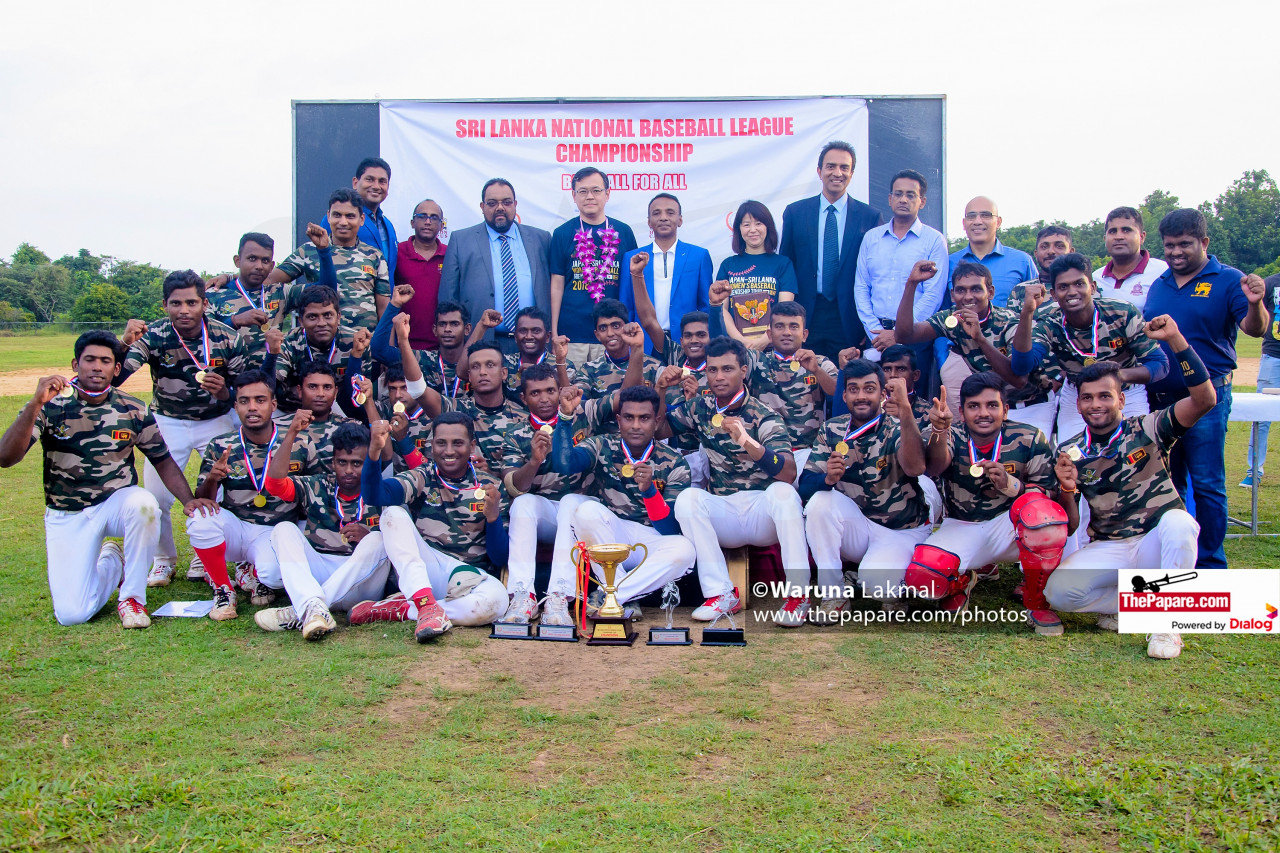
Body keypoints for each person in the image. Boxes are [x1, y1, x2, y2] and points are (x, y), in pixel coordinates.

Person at [0, 331, 218, 628]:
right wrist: (34, 405)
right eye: (89, 360)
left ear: (116, 369)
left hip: (116, 503)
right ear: (75, 364)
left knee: (144, 504)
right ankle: (113, 562)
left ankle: (131, 598)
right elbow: (6, 458)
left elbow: (162, 459)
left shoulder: (132, 408)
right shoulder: (50, 406)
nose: (96, 367)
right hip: (69, 512)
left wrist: (188, 500)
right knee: (72, 614)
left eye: (105, 361)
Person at [1047, 321, 1218, 660]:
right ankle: (1139, 604)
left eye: (1105, 396)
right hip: (1111, 547)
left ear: (1121, 399)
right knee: (1060, 594)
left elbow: (1205, 399)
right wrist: (1067, 489)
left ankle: (1168, 625)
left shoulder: (1149, 427)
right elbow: (1069, 525)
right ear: (1078, 405)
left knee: (1180, 523)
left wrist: (1176, 340)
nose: (1096, 404)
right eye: (1088, 398)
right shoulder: (1070, 451)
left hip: (1156, 542)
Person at [1143, 208, 1269, 570]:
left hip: (1207, 398)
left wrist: (1257, 302)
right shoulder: (1162, 283)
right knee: (1168, 482)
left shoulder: (1229, 280)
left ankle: (1212, 563)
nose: (1176, 252)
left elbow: (1254, 328)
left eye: (1185, 244)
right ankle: (1175, 560)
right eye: (1169, 246)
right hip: (1162, 401)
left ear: (1204, 242)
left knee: (1208, 482)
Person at [116, 270, 248, 585]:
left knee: (233, 489)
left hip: (216, 420)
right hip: (167, 421)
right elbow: (116, 378)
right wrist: (123, 343)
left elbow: (245, 390)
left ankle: (211, 555)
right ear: (165, 305)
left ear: (204, 303)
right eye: (176, 303)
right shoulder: (154, 336)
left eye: (191, 302)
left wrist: (225, 393)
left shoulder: (226, 337)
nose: (184, 310)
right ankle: (164, 559)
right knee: (158, 496)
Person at [665, 337, 803, 626]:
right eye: (712, 370)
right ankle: (721, 594)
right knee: (689, 499)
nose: (718, 377)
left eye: (727, 369)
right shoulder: (700, 408)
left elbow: (789, 473)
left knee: (784, 493)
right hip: (724, 510)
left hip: (761, 513)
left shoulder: (764, 415)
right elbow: (657, 428)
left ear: (743, 370)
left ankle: (798, 596)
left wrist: (748, 442)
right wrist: (660, 388)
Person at [914, 372, 1062, 632]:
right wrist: (939, 429)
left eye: (992, 405)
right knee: (923, 579)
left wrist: (1011, 485)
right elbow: (935, 467)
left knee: (1045, 518)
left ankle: (1037, 603)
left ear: (1005, 410)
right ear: (961, 411)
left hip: (1012, 526)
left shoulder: (1029, 436)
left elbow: (1049, 494)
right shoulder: (948, 432)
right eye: (974, 406)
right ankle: (963, 579)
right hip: (963, 524)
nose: (983, 413)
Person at [499, 366, 637, 626]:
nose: (544, 398)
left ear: (559, 391)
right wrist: (534, 462)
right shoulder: (515, 433)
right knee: (523, 502)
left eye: (550, 390)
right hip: (548, 515)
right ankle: (522, 595)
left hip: (583, 510)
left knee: (571, 503)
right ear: (524, 398)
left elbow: (626, 395)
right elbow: (513, 486)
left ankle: (559, 596)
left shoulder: (583, 415)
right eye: (535, 393)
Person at [357, 414, 510, 639]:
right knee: (392, 514)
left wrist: (494, 518)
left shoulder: (491, 486)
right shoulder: (423, 476)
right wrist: (374, 453)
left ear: (472, 446)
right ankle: (426, 605)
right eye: (441, 443)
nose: (448, 451)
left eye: (457, 443)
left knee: (496, 603)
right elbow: (375, 495)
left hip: (469, 578)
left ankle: (401, 609)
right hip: (427, 571)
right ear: (431, 445)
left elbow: (500, 558)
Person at [551, 385, 696, 617]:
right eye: (629, 417)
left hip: (651, 538)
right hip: (612, 533)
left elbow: (669, 528)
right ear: (618, 420)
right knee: (585, 510)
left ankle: (614, 595)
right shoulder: (602, 445)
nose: (636, 425)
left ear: (657, 421)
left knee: (685, 549)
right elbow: (563, 464)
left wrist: (649, 491)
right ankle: (622, 597)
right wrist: (565, 418)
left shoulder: (675, 462)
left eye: (644, 418)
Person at [799, 361, 930, 619]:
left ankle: (890, 580)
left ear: (883, 394)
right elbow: (805, 487)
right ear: (844, 395)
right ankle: (834, 596)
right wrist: (827, 479)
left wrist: (905, 413)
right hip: (860, 528)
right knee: (819, 504)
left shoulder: (897, 426)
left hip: (902, 530)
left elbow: (916, 468)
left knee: (876, 585)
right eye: (853, 389)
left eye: (869, 389)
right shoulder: (832, 430)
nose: (861, 396)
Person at [255, 418, 389, 640]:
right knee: (284, 529)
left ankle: (304, 609)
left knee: (379, 541)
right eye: (341, 462)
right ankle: (313, 607)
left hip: (363, 583)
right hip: (319, 572)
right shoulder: (317, 484)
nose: (348, 470)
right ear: (332, 461)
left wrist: (367, 535)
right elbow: (274, 484)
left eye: (357, 463)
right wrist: (290, 435)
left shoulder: (382, 490)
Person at [896, 260, 1060, 439]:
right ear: (952, 295)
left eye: (976, 289)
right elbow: (904, 335)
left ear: (990, 292)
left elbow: (1019, 380)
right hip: (991, 408)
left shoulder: (1008, 321)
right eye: (960, 290)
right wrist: (911, 284)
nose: (967, 297)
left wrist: (979, 338)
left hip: (1030, 405)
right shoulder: (952, 319)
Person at [1012, 253, 1168, 442]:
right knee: (1071, 456)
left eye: (1079, 284)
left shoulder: (1121, 313)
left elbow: (1160, 364)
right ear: (1053, 294)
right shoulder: (1049, 322)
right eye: (1063, 287)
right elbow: (1022, 366)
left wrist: (1116, 377)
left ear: (1092, 287)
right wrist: (1027, 313)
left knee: (1135, 451)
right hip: (1078, 394)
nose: (1071, 292)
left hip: (1125, 391)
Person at [186, 371, 298, 621]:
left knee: (276, 578)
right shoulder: (221, 444)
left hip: (275, 529)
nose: (253, 407)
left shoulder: (294, 441)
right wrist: (214, 477)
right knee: (200, 517)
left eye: (260, 400)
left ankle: (252, 571)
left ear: (273, 404)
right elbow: (203, 498)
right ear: (235, 406)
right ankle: (223, 588)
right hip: (236, 527)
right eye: (245, 401)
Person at [778, 140, 885, 361]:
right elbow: (786, 267)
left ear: (852, 173)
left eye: (844, 167)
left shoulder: (870, 217)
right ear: (819, 171)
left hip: (848, 317)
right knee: (807, 385)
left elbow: (876, 274)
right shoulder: (796, 213)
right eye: (831, 166)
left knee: (847, 386)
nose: (837, 173)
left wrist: (867, 323)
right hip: (806, 316)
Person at [392, 317, 527, 472]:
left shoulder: (521, 417)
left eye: (490, 365)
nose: (482, 372)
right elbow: (418, 390)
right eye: (476, 367)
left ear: (504, 373)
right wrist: (403, 340)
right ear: (469, 376)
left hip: (503, 493)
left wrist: (490, 475)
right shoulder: (455, 410)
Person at [439, 178, 552, 354]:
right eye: (492, 203)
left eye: (506, 202)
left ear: (515, 205)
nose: (500, 208)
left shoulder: (541, 239)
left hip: (532, 345)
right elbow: (448, 298)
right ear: (482, 207)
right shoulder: (461, 240)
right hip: (482, 343)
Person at [852, 169, 949, 365]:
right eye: (898, 194)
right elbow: (861, 288)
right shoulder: (872, 238)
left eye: (910, 195)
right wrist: (874, 332)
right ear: (889, 199)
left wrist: (900, 334)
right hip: (876, 337)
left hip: (915, 338)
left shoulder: (934, 241)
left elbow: (933, 296)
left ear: (922, 201)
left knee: (912, 395)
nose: (903, 199)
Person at [549, 168, 639, 363]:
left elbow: (634, 284)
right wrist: (554, 330)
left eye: (596, 190)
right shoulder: (562, 234)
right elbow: (556, 284)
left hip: (615, 334)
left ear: (607, 194)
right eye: (582, 191)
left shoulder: (624, 232)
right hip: (571, 334)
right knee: (571, 390)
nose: (589, 196)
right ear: (574, 195)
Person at [270, 188, 390, 331]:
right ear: (328, 216)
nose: (343, 222)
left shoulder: (374, 255)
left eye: (350, 216)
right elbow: (270, 282)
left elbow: (384, 309)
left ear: (362, 219)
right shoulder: (309, 250)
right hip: (322, 345)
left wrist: (385, 348)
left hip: (363, 345)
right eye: (337, 215)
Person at [746, 301, 838, 477]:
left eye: (793, 326)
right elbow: (726, 354)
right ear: (769, 334)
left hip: (809, 453)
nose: (787, 332)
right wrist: (716, 306)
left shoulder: (820, 362)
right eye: (780, 326)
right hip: (767, 453)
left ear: (804, 335)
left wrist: (816, 371)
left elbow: (840, 394)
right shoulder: (756, 361)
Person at [620, 193, 712, 354]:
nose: (663, 218)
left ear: (680, 220)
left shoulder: (698, 256)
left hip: (686, 342)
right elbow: (625, 307)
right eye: (656, 213)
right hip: (644, 342)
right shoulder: (633, 258)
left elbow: (706, 306)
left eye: (670, 213)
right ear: (649, 222)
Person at [266, 286, 371, 416]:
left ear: (338, 317)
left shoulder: (354, 342)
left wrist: (356, 356)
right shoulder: (289, 342)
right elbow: (267, 385)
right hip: (290, 408)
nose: (321, 323)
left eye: (327, 315)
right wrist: (272, 354)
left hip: (335, 407)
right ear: (301, 321)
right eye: (312, 317)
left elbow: (359, 394)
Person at [711, 200, 797, 350]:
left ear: (767, 227)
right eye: (746, 225)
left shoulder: (783, 264)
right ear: (739, 230)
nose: (752, 230)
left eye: (758, 223)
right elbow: (723, 309)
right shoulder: (728, 265)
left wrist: (765, 339)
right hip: (736, 349)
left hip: (773, 348)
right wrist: (740, 341)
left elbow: (785, 309)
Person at [205, 233, 301, 354]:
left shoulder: (280, 292)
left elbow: (326, 292)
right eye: (252, 259)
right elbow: (201, 338)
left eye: (265, 260)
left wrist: (323, 251)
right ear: (237, 261)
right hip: (230, 372)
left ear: (272, 266)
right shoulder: (213, 295)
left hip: (272, 372)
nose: (259, 266)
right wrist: (234, 321)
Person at [372, 286, 473, 399]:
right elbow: (378, 350)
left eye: (454, 324)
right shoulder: (422, 359)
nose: (447, 329)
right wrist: (394, 305)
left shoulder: (476, 363)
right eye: (442, 324)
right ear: (435, 330)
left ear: (467, 329)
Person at [947, 197, 1037, 308]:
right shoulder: (948, 263)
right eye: (971, 216)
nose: (977, 221)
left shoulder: (1022, 261)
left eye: (985, 215)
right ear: (964, 223)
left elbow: (1037, 304)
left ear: (998, 222)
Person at [322, 157, 398, 283]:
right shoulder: (336, 220)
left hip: (385, 301)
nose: (376, 186)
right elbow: (320, 262)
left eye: (382, 181)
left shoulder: (388, 225)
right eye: (370, 179)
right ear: (355, 183)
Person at [573, 301, 662, 403]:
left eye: (616, 326)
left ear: (627, 327)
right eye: (603, 328)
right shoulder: (588, 370)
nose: (610, 333)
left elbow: (673, 411)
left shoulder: (654, 366)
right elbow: (578, 406)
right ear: (597, 335)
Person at [1242, 271, 1280, 487]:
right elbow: (1257, 315)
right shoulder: (1271, 284)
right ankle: (1253, 470)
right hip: (1273, 356)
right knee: (1262, 416)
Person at [394, 199, 447, 350]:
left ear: (442, 225)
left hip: (441, 347)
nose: (428, 221)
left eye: (434, 217)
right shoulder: (397, 252)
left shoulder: (450, 254)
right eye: (422, 216)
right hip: (403, 344)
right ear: (412, 222)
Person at [1094, 207, 1169, 311]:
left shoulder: (1163, 272)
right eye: (1112, 231)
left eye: (1126, 230)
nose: (1118, 236)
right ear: (1104, 239)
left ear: (1142, 237)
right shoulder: (1095, 278)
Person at [1006, 226, 1074, 315]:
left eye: (1059, 246)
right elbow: (1012, 327)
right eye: (1044, 247)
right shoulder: (1021, 291)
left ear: (1071, 252)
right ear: (1036, 254)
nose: (1051, 251)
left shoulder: (1084, 288)